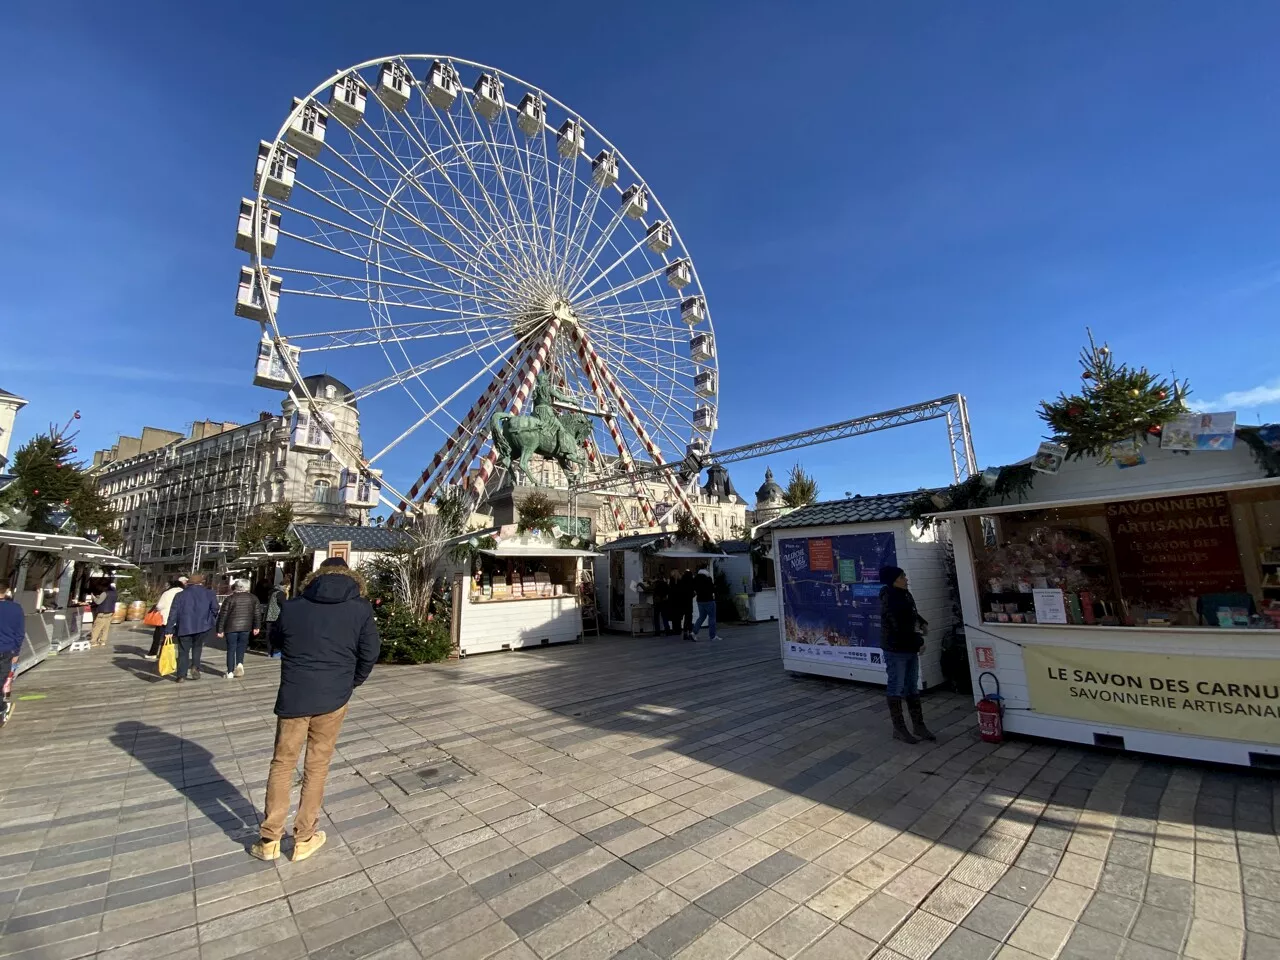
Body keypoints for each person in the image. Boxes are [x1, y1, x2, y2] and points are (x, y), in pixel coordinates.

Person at [251, 557, 379, 863]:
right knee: (317, 765)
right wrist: (351, 682)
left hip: (295, 695)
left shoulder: (294, 606)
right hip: (334, 696)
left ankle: (270, 837)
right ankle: (304, 836)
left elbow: (277, 640)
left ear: (315, 577)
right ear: (351, 577)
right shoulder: (360, 608)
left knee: (282, 762)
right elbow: (370, 652)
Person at [879, 565, 935, 743]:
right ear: (894, 580)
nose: (906, 579)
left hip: (909, 647)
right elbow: (899, 627)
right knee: (896, 686)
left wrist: (922, 622)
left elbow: (912, 614)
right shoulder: (890, 600)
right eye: (903, 577)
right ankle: (899, 728)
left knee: (911, 685)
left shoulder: (906, 594)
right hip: (896, 649)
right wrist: (918, 642)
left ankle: (919, 725)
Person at [165, 574, 220, 682]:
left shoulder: (180, 595)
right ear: (201, 582)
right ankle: (195, 667)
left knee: (183, 651)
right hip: (203, 626)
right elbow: (215, 608)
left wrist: (169, 630)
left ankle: (181, 675)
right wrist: (209, 620)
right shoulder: (210, 593)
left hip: (184, 626)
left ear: (188, 583)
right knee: (197, 647)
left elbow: (173, 613)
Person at [217, 580, 262, 679]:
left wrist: (220, 629)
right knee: (241, 647)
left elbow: (222, 615)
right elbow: (257, 614)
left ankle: (229, 672)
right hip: (246, 627)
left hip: (231, 627)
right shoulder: (253, 598)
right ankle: (240, 664)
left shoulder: (229, 599)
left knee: (231, 649)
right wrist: (257, 626)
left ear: (236, 587)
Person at [0, 587, 24, 726]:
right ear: (7, 591)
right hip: (6, 650)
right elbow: (19, 633)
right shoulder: (15, 608)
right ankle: (2, 710)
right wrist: (16, 652)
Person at [146, 578, 185, 661]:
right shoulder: (184, 593)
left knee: (158, 636)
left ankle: (153, 653)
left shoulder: (167, 593)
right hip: (179, 619)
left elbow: (159, 606)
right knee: (172, 639)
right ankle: (164, 655)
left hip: (165, 618)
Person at [690, 566, 719, 642]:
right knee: (712, 617)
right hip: (709, 600)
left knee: (701, 617)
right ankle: (712, 636)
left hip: (700, 600)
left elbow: (694, 589)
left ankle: (694, 632)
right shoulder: (708, 579)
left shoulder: (695, 579)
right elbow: (712, 589)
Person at [89, 579, 117, 648]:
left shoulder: (105, 593)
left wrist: (94, 598)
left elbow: (98, 602)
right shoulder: (114, 593)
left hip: (102, 612)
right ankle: (103, 641)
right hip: (110, 611)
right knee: (106, 627)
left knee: (97, 627)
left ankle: (93, 641)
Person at [265, 582, 288, 658]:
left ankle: (269, 652)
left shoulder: (273, 592)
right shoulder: (281, 594)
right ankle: (275, 653)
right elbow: (284, 604)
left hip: (269, 616)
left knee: (269, 634)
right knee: (276, 635)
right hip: (276, 617)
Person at [676, 569, 696, 641]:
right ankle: (689, 631)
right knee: (689, 617)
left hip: (682, 602)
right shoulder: (691, 582)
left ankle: (685, 632)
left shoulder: (681, 582)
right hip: (689, 602)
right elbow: (693, 592)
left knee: (685, 618)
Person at [651, 566, 669, 636]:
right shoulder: (665, 584)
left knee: (656, 617)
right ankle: (667, 630)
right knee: (664, 616)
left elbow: (647, 589)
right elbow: (668, 591)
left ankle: (657, 631)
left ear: (657, 578)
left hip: (657, 602)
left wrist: (639, 584)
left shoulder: (656, 584)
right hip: (664, 602)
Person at [665, 572, 681, 637]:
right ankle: (678, 630)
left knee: (674, 617)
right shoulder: (680, 583)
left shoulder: (671, 584)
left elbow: (668, 591)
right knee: (678, 617)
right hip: (678, 602)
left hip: (672, 602)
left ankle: (675, 630)